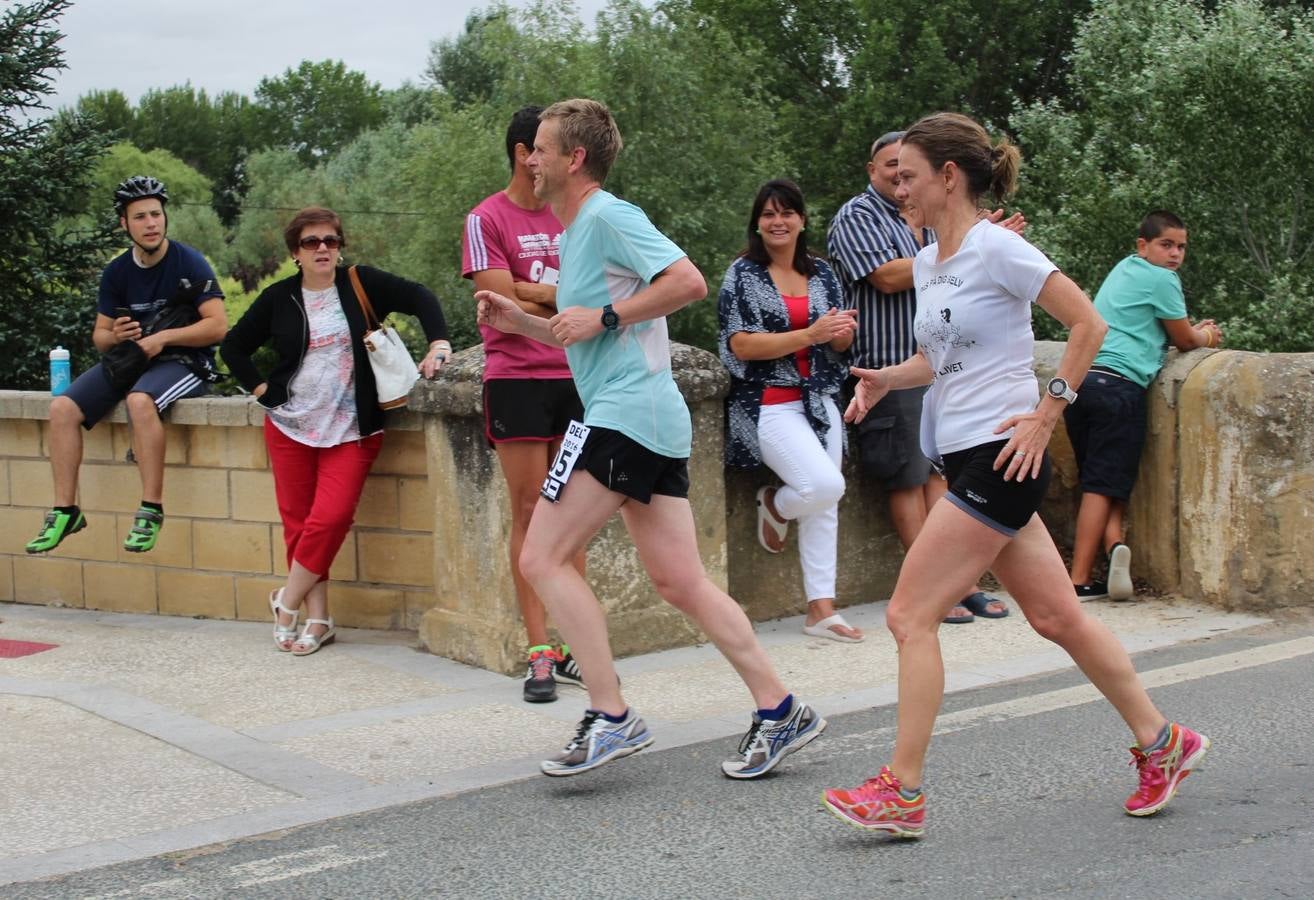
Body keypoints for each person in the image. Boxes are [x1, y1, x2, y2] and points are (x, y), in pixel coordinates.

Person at [821, 113, 1209, 837]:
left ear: (948, 176)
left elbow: (1088, 325)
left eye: (907, 174)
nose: (897, 188)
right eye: (893, 175)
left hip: (1004, 457)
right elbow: (945, 358)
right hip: (967, 455)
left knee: (909, 616)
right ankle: (1164, 741)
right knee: (1058, 617)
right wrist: (886, 379)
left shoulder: (1000, 248)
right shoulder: (934, 261)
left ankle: (901, 791)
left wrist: (1045, 413)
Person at [476, 98, 826, 778]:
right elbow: (582, 329)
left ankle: (611, 717)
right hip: (645, 412)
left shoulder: (609, 215)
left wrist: (605, 316)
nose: (531, 159)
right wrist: (520, 323)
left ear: (574, 158)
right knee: (680, 581)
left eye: (541, 149)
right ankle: (780, 709)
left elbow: (687, 282)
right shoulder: (577, 233)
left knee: (541, 556)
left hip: (624, 413)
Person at [221, 207, 450, 656]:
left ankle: (285, 601)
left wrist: (438, 342)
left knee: (331, 518)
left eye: (331, 240)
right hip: (290, 426)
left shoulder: (360, 282)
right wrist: (265, 390)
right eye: (311, 242)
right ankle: (319, 617)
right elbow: (233, 347)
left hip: (353, 427)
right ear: (296, 253)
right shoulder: (279, 297)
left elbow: (422, 296)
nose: (323, 248)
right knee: (299, 525)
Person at [827, 132, 1012, 624]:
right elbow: (886, 276)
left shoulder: (935, 223)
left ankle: (961, 582)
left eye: (907, 170)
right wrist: (964, 250)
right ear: (872, 170)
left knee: (935, 476)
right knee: (907, 480)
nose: (899, 178)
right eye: (892, 167)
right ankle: (938, 590)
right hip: (888, 365)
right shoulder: (857, 217)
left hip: (936, 367)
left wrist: (968, 246)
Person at [25, 176, 227, 556]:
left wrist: (163, 338)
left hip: (184, 361)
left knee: (139, 401)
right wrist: (116, 334)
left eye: (156, 214)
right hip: (131, 359)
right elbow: (99, 336)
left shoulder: (189, 262)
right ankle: (66, 511)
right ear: (124, 224)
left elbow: (218, 325)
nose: (151, 223)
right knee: (62, 408)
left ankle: (150, 509)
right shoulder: (117, 272)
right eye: (140, 217)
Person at [462, 106, 587, 702]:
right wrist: (559, 300)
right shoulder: (485, 218)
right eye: (542, 148)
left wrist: (530, 293)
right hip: (516, 378)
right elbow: (499, 308)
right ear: (523, 153)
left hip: (579, 378)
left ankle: (578, 644)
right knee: (531, 510)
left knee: (574, 509)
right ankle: (540, 650)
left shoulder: (578, 216)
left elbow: (602, 299)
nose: (548, 159)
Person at [718, 179, 862, 642]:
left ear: (802, 219)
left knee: (826, 505)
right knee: (824, 485)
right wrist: (810, 335)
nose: (777, 222)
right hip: (768, 404)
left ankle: (821, 609)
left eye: (787, 213)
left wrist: (839, 335)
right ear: (757, 224)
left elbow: (838, 339)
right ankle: (775, 504)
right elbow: (739, 344)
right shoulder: (741, 274)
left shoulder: (822, 272)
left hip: (820, 399)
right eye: (768, 215)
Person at [1066, 211, 1221, 601]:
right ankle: (1079, 578)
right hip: (1119, 387)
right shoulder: (1163, 280)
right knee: (1102, 485)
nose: (1175, 254)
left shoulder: (1125, 269)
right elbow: (1185, 339)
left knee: (1105, 478)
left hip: (1081, 383)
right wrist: (1208, 334)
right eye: (1166, 245)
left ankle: (1114, 544)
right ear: (1143, 245)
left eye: (1181, 247)